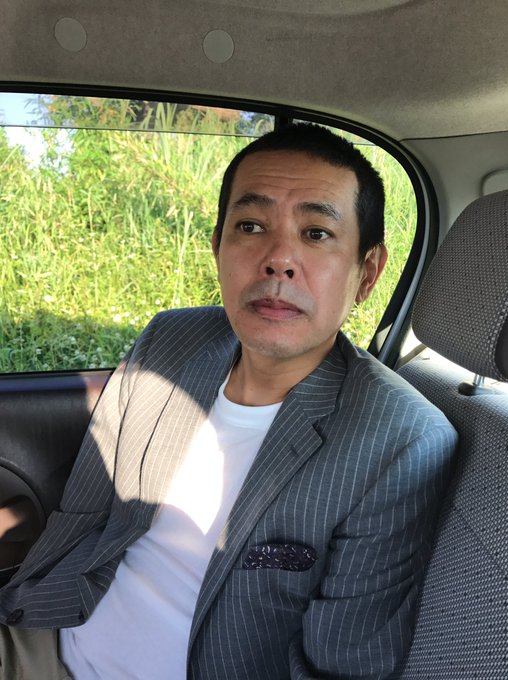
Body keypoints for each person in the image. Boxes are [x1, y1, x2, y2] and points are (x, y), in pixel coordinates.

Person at [0, 123, 457, 679]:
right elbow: (87, 511)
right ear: (218, 245)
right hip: (45, 638)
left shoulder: (400, 441)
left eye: (316, 233)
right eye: (251, 226)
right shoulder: (171, 341)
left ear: (367, 272)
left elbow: (339, 667)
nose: (279, 259)